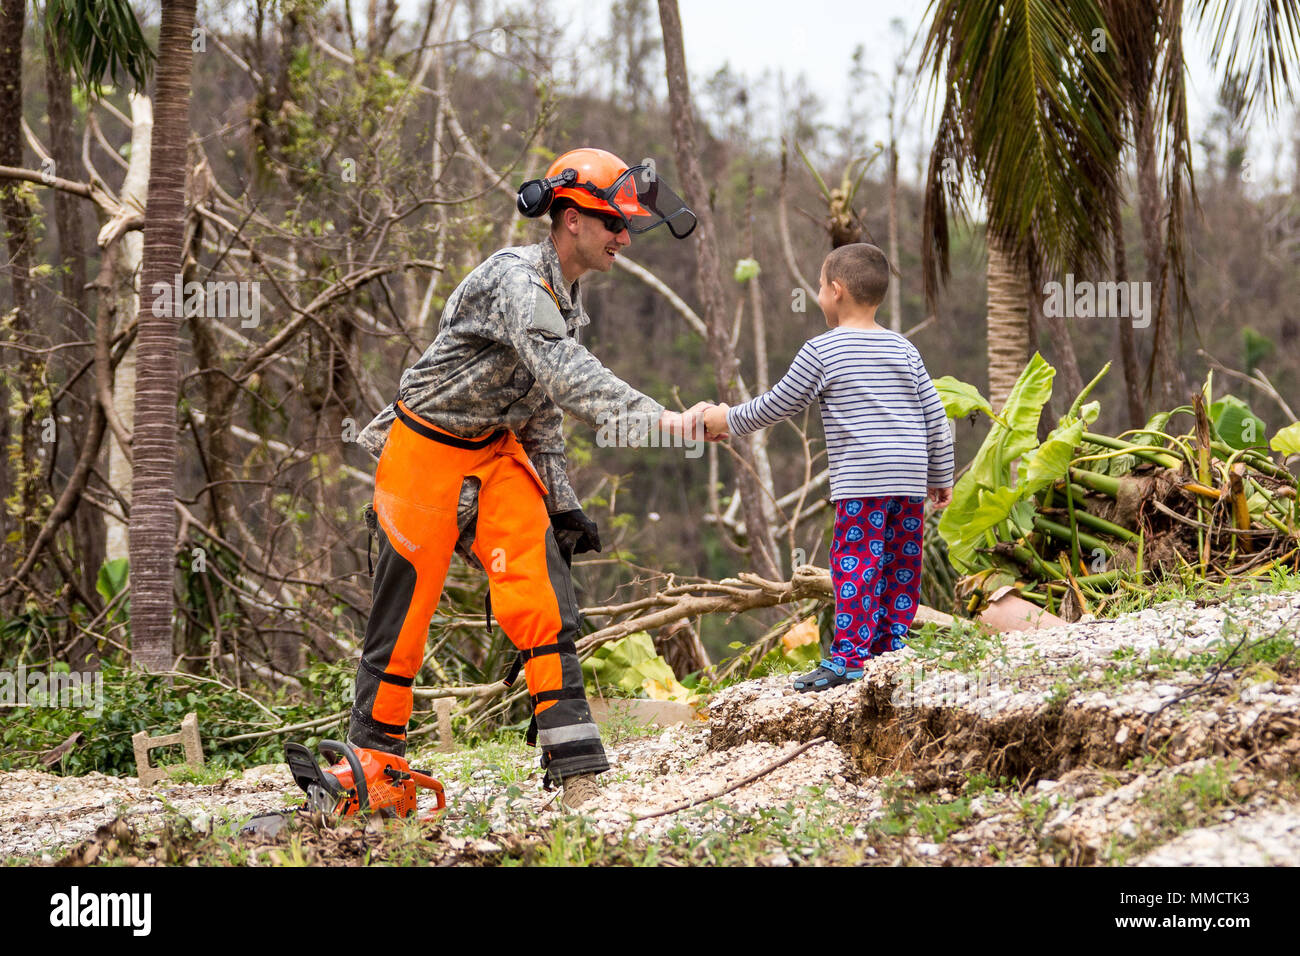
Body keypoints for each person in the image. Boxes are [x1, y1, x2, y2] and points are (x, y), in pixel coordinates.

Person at [337, 147, 705, 811]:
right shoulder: (516, 280)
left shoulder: (565, 295)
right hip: (423, 448)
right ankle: (373, 765)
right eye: (614, 224)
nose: (624, 237)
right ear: (570, 220)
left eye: (627, 226)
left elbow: (540, 406)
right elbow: (565, 374)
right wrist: (666, 422)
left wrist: (561, 504)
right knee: (404, 618)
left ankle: (577, 774)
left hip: (493, 450)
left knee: (543, 598)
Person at [702, 243, 954, 691]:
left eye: (819, 286)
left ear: (835, 291)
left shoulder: (823, 351)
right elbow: (934, 414)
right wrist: (940, 475)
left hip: (863, 479)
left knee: (856, 562)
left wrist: (726, 419)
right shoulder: (904, 348)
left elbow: (777, 404)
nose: (818, 294)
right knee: (900, 561)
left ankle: (850, 659)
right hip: (910, 475)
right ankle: (891, 648)